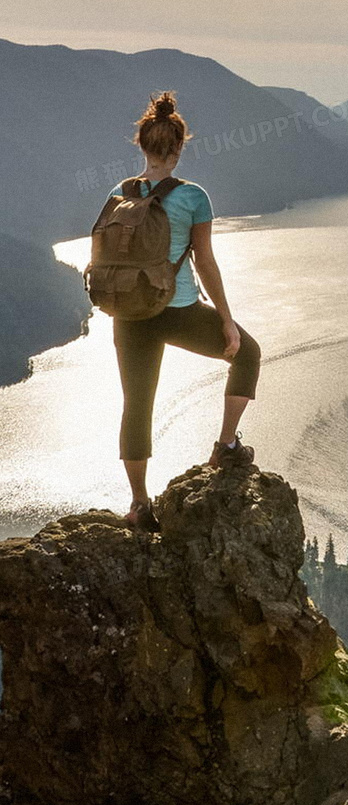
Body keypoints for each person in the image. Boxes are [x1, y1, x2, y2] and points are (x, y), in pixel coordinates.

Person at [109, 90, 261, 531]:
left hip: (131, 315)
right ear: (178, 149)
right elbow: (205, 262)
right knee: (246, 353)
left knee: (136, 405)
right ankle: (226, 446)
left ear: (142, 146)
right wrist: (227, 321)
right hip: (176, 309)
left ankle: (139, 505)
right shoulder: (193, 196)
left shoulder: (121, 192)